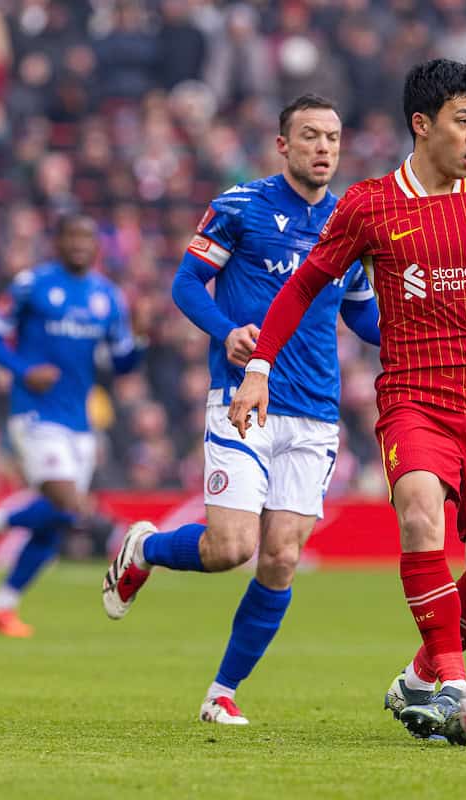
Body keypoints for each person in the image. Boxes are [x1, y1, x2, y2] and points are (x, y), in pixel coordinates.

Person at [228, 60, 466, 741]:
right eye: (462, 120)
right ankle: (453, 685)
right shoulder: (368, 206)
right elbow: (303, 287)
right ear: (422, 125)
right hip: (415, 398)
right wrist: (260, 368)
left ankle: (420, 677)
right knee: (420, 516)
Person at [101, 95, 380, 726]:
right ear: (283, 145)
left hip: (315, 410)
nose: (323, 148)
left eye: (332, 137)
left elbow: (359, 310)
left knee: (280, 556)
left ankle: (221, 692)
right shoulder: (241, 207)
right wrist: (227, 331)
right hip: (243, 396)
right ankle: (143, 550)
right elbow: (183, 283)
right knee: (231, 547)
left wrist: (412, 340)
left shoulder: (352, 223)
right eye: (309, 136)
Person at [0, 214, 144, 637]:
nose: (81, 245)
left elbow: (121, 364)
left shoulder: (108, 297)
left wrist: (138, 338)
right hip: (35, 412)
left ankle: (0, 606)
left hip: (79, 420)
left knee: (58, 523)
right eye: (73, 237)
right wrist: (22, 369)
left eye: (89, 238)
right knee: (68, 502)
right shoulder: (33, 285)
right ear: (58, 242)